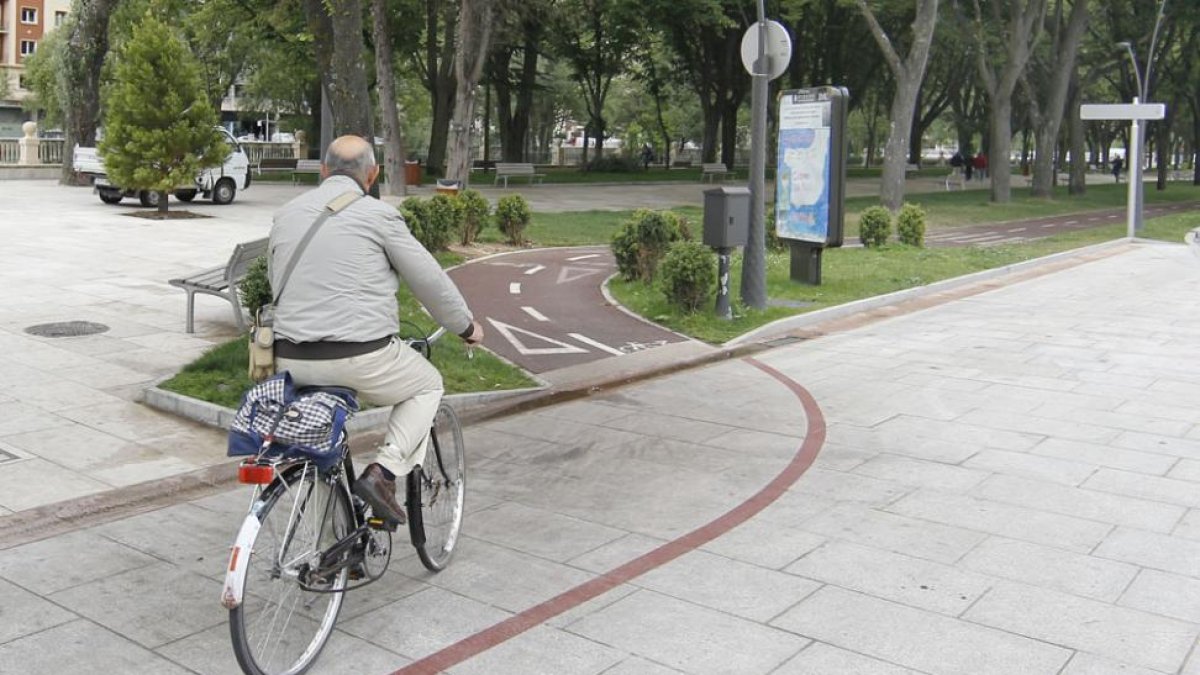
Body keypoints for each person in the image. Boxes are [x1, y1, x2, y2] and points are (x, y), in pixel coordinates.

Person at [269, 135, 483, 524]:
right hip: (359, 357)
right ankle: (382, 474)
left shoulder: (286, 213)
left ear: (323, 170)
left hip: (288, 359)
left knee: (321, 449)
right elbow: (429, 280)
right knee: (427, 384)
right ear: (372, 174)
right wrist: (465, 326)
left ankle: (329, 559)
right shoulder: (378, 215)